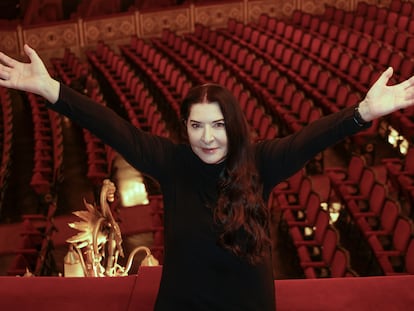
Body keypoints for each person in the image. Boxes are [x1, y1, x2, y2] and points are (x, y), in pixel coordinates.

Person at [1, 44, 414, 310]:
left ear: (232, 125)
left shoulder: (262, 162)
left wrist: (362, 113)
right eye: (197, 126)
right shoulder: (170, 161)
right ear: (185, 127)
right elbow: (113, 127)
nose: (208, 138)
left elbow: (310, 139)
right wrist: (51, 89)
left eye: (217, 125)